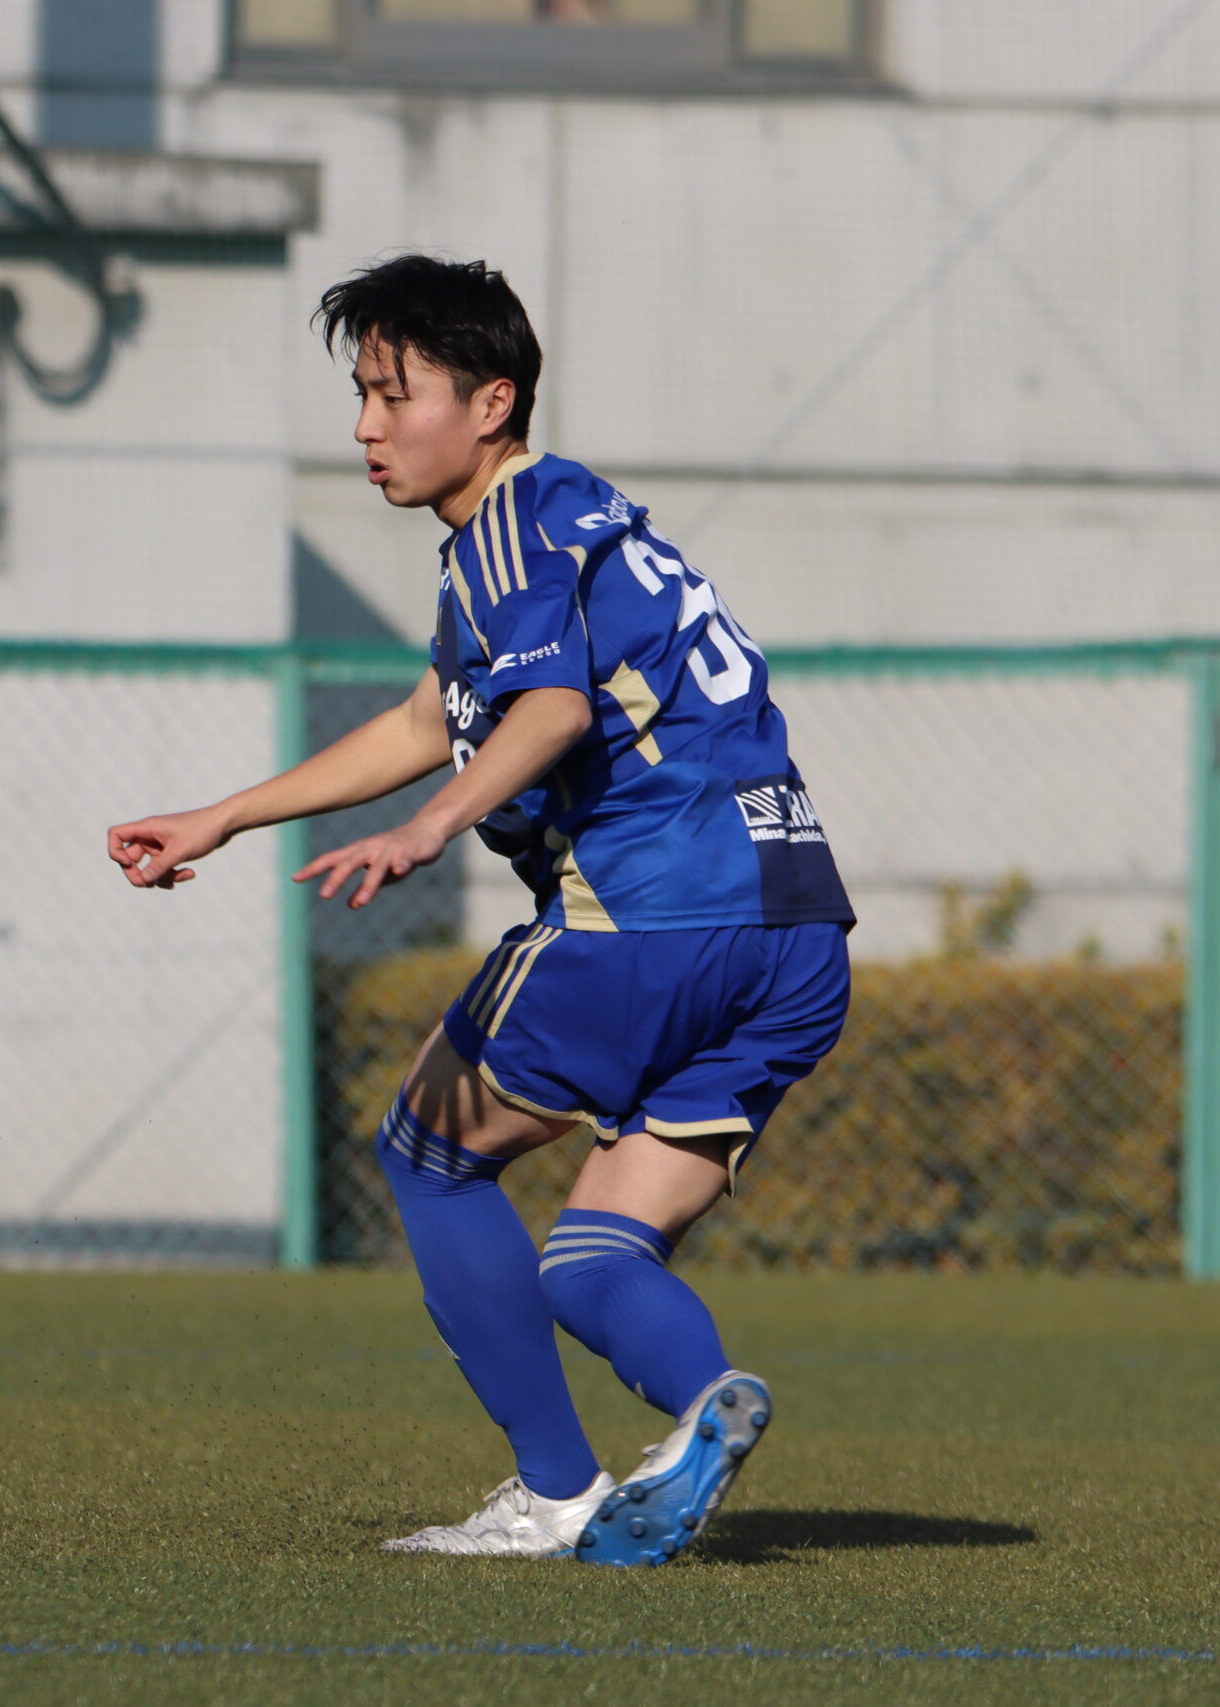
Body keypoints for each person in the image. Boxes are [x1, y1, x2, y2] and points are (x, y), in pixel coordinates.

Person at [107, 255, 853, 1565]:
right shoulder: (568, 527)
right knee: (594, 1259)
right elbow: (427, 718)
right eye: (360, 395)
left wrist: (427, 828)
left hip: (647, 919)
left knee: (427, 1151)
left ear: (492, 401)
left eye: (394, 395)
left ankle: (555, 1491)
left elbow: (550, 711)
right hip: (796, 937)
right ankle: (705, 1404)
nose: (366, 426)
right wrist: (226, 814)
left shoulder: (511, 525)